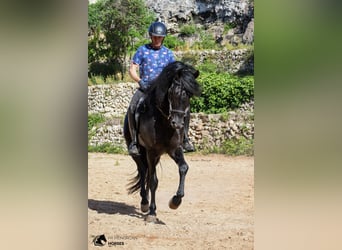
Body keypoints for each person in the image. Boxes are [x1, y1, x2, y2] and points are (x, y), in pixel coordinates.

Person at [127, 21, 195, 156]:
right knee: (133, 106)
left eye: (160, 37)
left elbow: (176, 72)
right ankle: (134, 141)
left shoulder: (168, 54)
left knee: (183, 107)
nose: (157, 39)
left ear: (163, 37)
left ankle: (185, 138)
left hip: (163, 90)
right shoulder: (142, 50)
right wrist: (139, 81)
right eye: (155, 37)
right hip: (146, 88)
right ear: (151, 36)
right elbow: (132, 69)